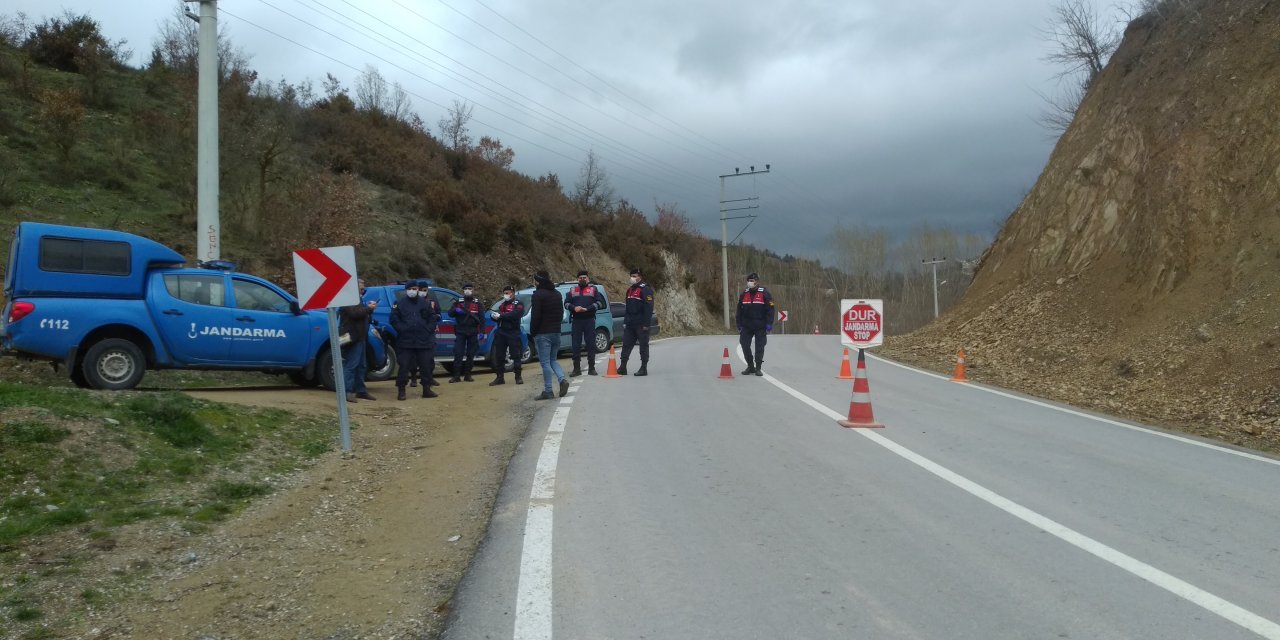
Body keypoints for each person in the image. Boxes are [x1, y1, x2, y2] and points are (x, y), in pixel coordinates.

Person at [391, 279, 441, 400]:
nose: (413, 291)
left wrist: (428, 329)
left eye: (415, 289)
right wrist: (402, 329)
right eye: (411, 289)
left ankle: (426, 389)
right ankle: (401, 390)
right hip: (406, 341)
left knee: (426, 366)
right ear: (406, 290)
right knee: (403, 366)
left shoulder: (424, 303)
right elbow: (394, 319)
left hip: (423, 340)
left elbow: (432, 317)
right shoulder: (400, 303)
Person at [529, 270, 570, 400]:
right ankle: (562, 379)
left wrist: (533, 331)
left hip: (543, 333)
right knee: (553, 360)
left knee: (545, 363)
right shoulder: (557, 294)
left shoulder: (537, 295)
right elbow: (560, 313)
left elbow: (535, 316)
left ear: (537, 281)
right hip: (556, 331)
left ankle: (548, 390)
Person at [338, 278, 377, 402]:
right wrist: (368, 309)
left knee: (361, 365)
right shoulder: (347, 298)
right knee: (351, 364)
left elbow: (360, 314)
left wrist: (369, 311)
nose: (363, 287)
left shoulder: (358, 299)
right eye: (361, 284)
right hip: (352, 337)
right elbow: (354, 313)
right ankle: (347, 392)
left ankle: (361, 390)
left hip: (360, 337)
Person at [564, 269, 606, 377]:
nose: (582, 279)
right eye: (580, 278)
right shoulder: (572, 290)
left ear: (588, 278)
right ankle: (576, 369)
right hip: (576, 321)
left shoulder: (593, 289)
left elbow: (600, 303)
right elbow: (566, 303)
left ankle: (591, 368)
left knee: (591, 345)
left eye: (584, 278)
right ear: (577, 279)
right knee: (575, 346)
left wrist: (588, 309)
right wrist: (574, 308)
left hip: (589, 320)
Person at [736, 272, 776, 376]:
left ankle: (758, 367)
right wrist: (739, 324)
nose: (750, 283)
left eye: (752, 281)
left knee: (760, 347)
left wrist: (769, 324)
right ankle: (750, 366)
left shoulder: (765, 293)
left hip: (760, 326)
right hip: (746, 325)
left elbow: (770, 309)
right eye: (748, 281)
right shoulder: (744, 294)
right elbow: (739, 310)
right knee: (744, 344)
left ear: (757, 282)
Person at [617, 267, 654, 376]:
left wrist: (646, 324)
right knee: (626, 344)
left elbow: (649, 308)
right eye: (631, 276)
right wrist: (625, 321)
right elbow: (627, 308)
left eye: (635, 276)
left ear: (640, 277)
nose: (632, 278)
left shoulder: (645, 289)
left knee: (643, 345)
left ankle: (643, 368)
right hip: (630, 323)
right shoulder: (630, 290)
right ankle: (623, 367)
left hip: (641, 323)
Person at [488, 285, 525, 386]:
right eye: (505, 293)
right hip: (501, 332)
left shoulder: (518, 304)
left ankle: (518, 376)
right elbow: (499, 315)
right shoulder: (502, 305)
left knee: (515, 355)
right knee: (499, 355)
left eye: (508, 293)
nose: (506, 295)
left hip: (513, 332)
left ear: (513, 293)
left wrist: (502, 316)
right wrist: (494, 316)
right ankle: (500, 377)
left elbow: (516, 314)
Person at [449, 283, 484, 383]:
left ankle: (468, 375)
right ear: (463, 290)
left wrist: (481, 331)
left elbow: (481, 319)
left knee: (471, 354)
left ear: (473, 290)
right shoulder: (458, 302)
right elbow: (450, 313)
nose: (468, 290)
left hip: (473, 331)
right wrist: (456, 310)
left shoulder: (477, 303)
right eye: (466, 289)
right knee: (458, 353)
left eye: (470, 288)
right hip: (460, 331)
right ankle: (456, 376)